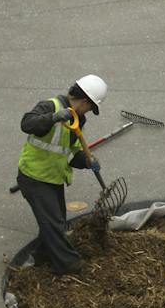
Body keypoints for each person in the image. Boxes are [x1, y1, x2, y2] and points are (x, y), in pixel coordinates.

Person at [15, 73, 107, 274]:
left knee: (55, 220)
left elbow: (69, 153)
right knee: (54, 222)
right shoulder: (50, 106)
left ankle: (40, 256)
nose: (89, 111)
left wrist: (86, 161)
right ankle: (70, 265)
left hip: (53, 178)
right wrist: (54, 118)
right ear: (84, 101)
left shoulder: (79, 120)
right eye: (91, 107)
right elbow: (27, 124)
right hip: (33, 177)